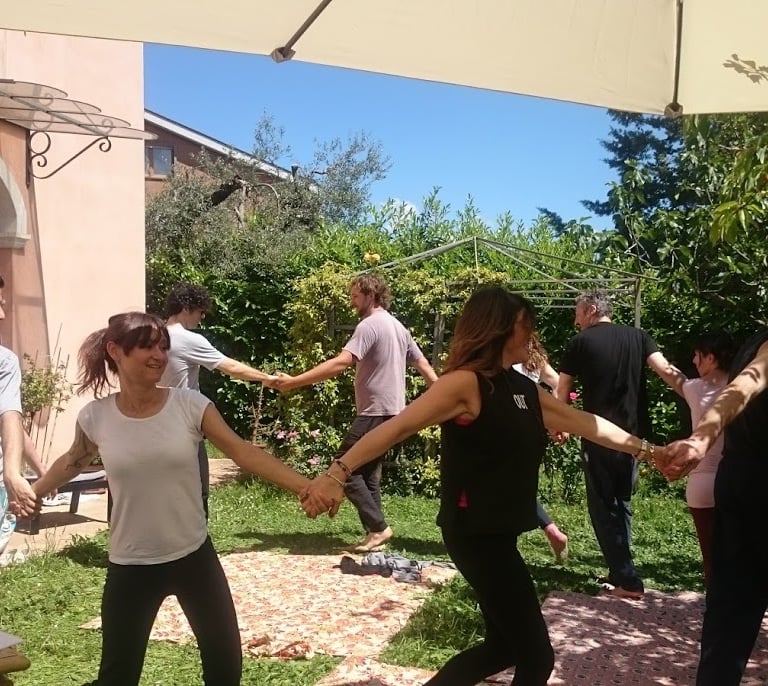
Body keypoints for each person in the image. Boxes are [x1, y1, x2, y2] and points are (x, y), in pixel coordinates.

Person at [302, 287, 664, 686]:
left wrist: (650, 451)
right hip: (474, 533)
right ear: (503, 329)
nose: (533, 336)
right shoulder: (464, 385)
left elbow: (587, 423)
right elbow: (395, 428)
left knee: (503, 647)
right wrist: (337, 473)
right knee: (537, 658)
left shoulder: (524, 389)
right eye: (528, 327)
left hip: (499, 532)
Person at [30, 312, 330, 686]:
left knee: (225, 670)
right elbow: (72, 462)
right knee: (116, 677)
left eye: (163, 347)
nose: (159, 355)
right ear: (115, 351)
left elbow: (242, 451)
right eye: (147, 346)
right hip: (131, 565)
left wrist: (306, 485)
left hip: (194, 558)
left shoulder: (189, 405)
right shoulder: (96, 417)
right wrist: (31, 493)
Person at [273, 273, 438, 552]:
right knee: (367, 473)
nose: (352, 302)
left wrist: (294, 382)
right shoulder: (399, 327)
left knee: (343, 469)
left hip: (375, 413)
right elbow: (423, 365)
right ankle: (375, 534)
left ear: (370, 295)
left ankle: (378, 528)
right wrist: (446, 395)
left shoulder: (370, 325)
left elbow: (342, 362)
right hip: (393, 413)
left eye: (355, 296)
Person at [554, 290, 684, 599]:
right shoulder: (639, 337)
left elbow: (562, 390)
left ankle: (628, 581)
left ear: (592, 310)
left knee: (602, 505)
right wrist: (698, 394)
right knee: (621, 502)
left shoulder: (580, 343)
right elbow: (666, 371)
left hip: (599, 434)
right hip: (634, 439)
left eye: (577, 312)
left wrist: (560, 426)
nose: (575, 320)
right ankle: (620, 571)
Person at [660, 330, 768, 686]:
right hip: (749, 482)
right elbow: (743, 387)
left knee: (730, 612)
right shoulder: (759, 345)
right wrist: (702, 438)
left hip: (737, 480)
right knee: (730, 610)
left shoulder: (754, 340)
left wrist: (701, 439)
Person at [160, 283, 277, 517]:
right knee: (197, 491)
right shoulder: (187, 339)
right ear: (186, 308)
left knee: (163, 490)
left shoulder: (154, 335)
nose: (202, 318)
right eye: (200, 311)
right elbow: (230, 367)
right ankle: (196, 544)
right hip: (183, 424)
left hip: (154, 422)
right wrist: (267, 378)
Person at [659, 331, 734, 587]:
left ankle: (717, 611)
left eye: (697, 356)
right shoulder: (741, 391)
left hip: (701, 485)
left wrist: (646, 348)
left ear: (710, 358)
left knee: (711, 558)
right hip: (737, 480)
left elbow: (669, 373)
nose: (693, 360)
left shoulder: (694, 390)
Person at [512, 332, 568, 562]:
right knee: (521, 485)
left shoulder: (505, 360)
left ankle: (548, 529)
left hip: (508, 428)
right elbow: (559, 385)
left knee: (506, 486)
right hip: (533, 430)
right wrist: (554, 419)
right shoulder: (536, 361)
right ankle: (550, 529)